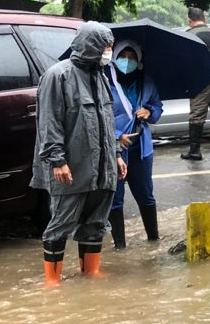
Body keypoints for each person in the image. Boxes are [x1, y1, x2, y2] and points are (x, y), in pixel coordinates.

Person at [30, 22, 128, 286]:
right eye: (106, 46)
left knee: (96, 222)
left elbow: (107, 120)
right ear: (91, 45)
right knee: (61, 222)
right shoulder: (58, 76)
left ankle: (91, 273)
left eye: (110, 46)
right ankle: (52, 281)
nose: (109, 52)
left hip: (103, 166)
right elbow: (49, 122)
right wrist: (57, 160)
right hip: (72, 166)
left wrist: (116, 154)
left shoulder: (101, 77)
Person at [106, 40, 163, 249]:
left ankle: (154, 241)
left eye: (132, 57)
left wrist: (149, 111)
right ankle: (120, 246)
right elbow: (96, 117)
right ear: (115, 58)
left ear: (139, 61)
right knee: (115, 198)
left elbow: (157, 106)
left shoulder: (146, 82)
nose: (127, 61)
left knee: (145, 195)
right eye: (123, 56)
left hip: (141, 149)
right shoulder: (105, 82)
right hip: (114, 150)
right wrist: (116, 135)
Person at [180, 7, 210, 162]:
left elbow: (186, 60)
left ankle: (195, 151)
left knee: (197, 114)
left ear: (190, 20)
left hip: (202, 79)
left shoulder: (189, 35)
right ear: (204, 18)